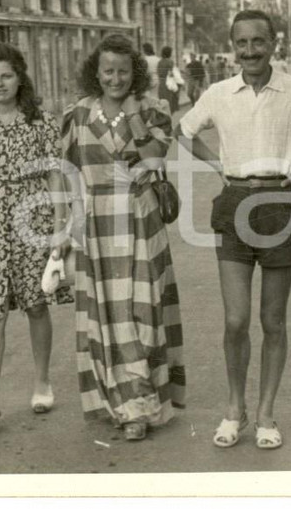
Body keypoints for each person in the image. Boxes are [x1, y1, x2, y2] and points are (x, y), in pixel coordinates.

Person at [176, 10, 291, 450]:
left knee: (272, 320)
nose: (250, 51)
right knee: (236, 319)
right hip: (234, 201)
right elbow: (183, 130)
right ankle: (234, 409)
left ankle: (265, 414)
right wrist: (218, 165)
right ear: (232, 47)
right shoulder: (219, 93)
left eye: (259, 41)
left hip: (281, 204)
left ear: (274, 44)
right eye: (242, 43)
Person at [60, 34, 186, 442]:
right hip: (97, 223)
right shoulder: (78, 114)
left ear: (136, 72)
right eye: (107, 71)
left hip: (140, 219)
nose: (115, 79)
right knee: (106, 316)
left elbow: (153, 158)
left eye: (123, 71)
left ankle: (143, 403)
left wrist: (133, 115)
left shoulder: (155, 110)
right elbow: (63, 168)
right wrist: (71, 216)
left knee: (142, 311)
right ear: (95, 73)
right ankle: (122, 406)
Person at [0, 43, 73, 431]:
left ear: (20, 76)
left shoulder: (40, 120)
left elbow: (55, 174)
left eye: (6, 75)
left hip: (33, 214)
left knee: (36, 303)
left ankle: (41, 382)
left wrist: (60, 226)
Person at [156, 46, 179, 114]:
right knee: (170, 103)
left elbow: (158, 72)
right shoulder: (170, 62)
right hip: (169, 83)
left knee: (163, 102)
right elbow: (172, 73)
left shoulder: (160, 62)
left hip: (161, 83)